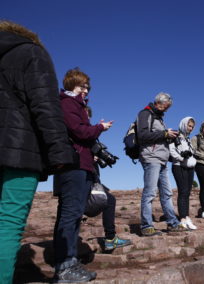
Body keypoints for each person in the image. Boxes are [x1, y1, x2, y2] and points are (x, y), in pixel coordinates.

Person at [0, 21, 76, 283]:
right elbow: (45, 105)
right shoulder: (32, 52)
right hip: (19, 153)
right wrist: (60, 153)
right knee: (8, 225)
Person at [52, 68, 113, 283]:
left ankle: (69, 262)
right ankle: (64, 267)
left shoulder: (78, 105)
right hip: (73, 166)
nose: (85, 90)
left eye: (87, 87)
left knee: (73, 214)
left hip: (80, 165)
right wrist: (99, 128)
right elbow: (80, 132)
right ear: (71, 85)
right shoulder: (68, 104)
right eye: (82, 86)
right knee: (70, 215)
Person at [136, 92, 187, 236]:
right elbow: (142, 136)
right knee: (150, 192)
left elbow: (158, 137)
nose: (166, 110)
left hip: (162, 159)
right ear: (158, 103)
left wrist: (168, 136)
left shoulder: (158, 117)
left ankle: (173, 223)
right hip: (151, 158)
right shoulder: (145, 114)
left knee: (167, 193)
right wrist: (165, 134)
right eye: (165, 107)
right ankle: (146, 226)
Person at [85, 106, 131, 250]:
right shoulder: (74, 130)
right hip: (79, 177)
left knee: (109, 199)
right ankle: (110, 238)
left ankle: (110, 238)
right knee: (73, 210)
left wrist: (96, 157)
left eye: (87, 117)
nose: (86, 119)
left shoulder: (87, 135)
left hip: (90, 177)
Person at [169, 117, 198, 230]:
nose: (190, 128)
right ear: (183, 124)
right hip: (179, 166)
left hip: (190, 167)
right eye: (189, 125)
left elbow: (191, 153)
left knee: (187, 193)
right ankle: (182, 219)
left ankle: (186, 217)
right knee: (183, 192)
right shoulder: (175, 135)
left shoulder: (187, 139)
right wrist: (182, 157)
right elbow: (172, 150)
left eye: (192, 127)